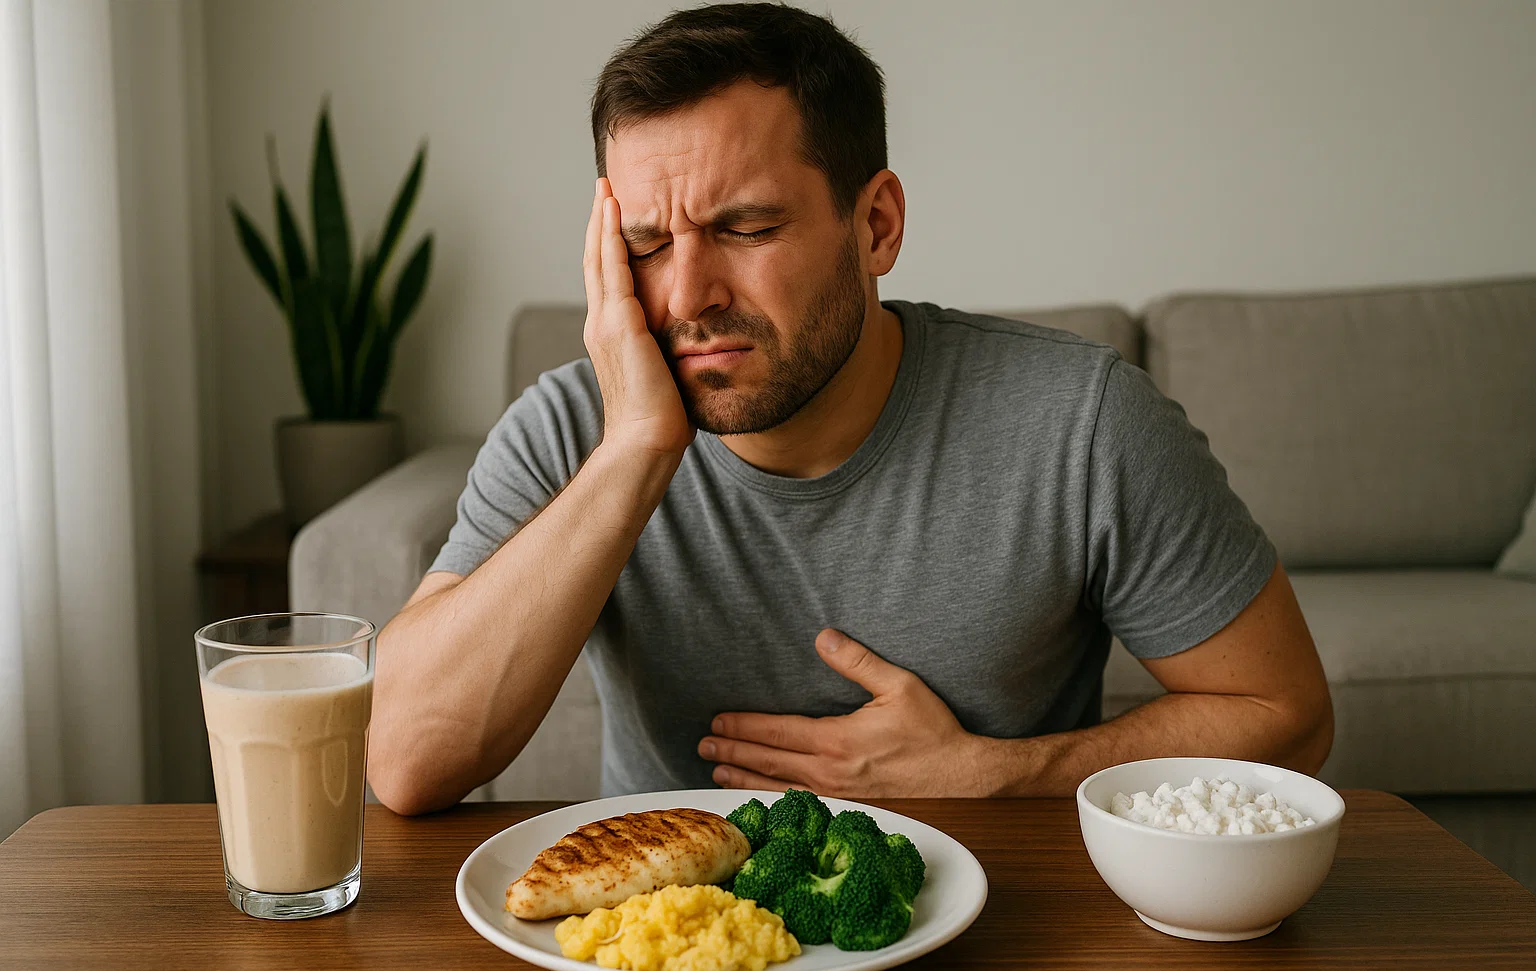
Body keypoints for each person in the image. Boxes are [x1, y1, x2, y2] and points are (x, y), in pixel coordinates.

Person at [367, 3, 1333, 815]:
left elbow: (1287, 719)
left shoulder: (1083, 423)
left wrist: (993, 775)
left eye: (747, 227)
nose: (687, 296)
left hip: (1004, 933)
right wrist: (633, 454)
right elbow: (403, 762)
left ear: (876, 225)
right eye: (648, 245)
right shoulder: (572, 432)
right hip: (667, 944)